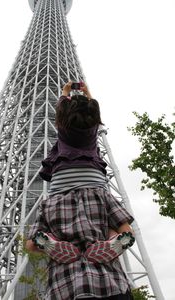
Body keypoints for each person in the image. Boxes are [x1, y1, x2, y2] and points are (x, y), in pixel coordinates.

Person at [26, 81, 135, 299]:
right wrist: (88, 93)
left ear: (62, 119)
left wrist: (65, 91)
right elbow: (92, 113)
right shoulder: (92, 131)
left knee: (35, 239)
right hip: (93, 182)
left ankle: (49, 243)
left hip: (61, 185)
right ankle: (112, 243)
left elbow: (63, 108)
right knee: (116, 228)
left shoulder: (64, 130)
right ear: (94, 119)